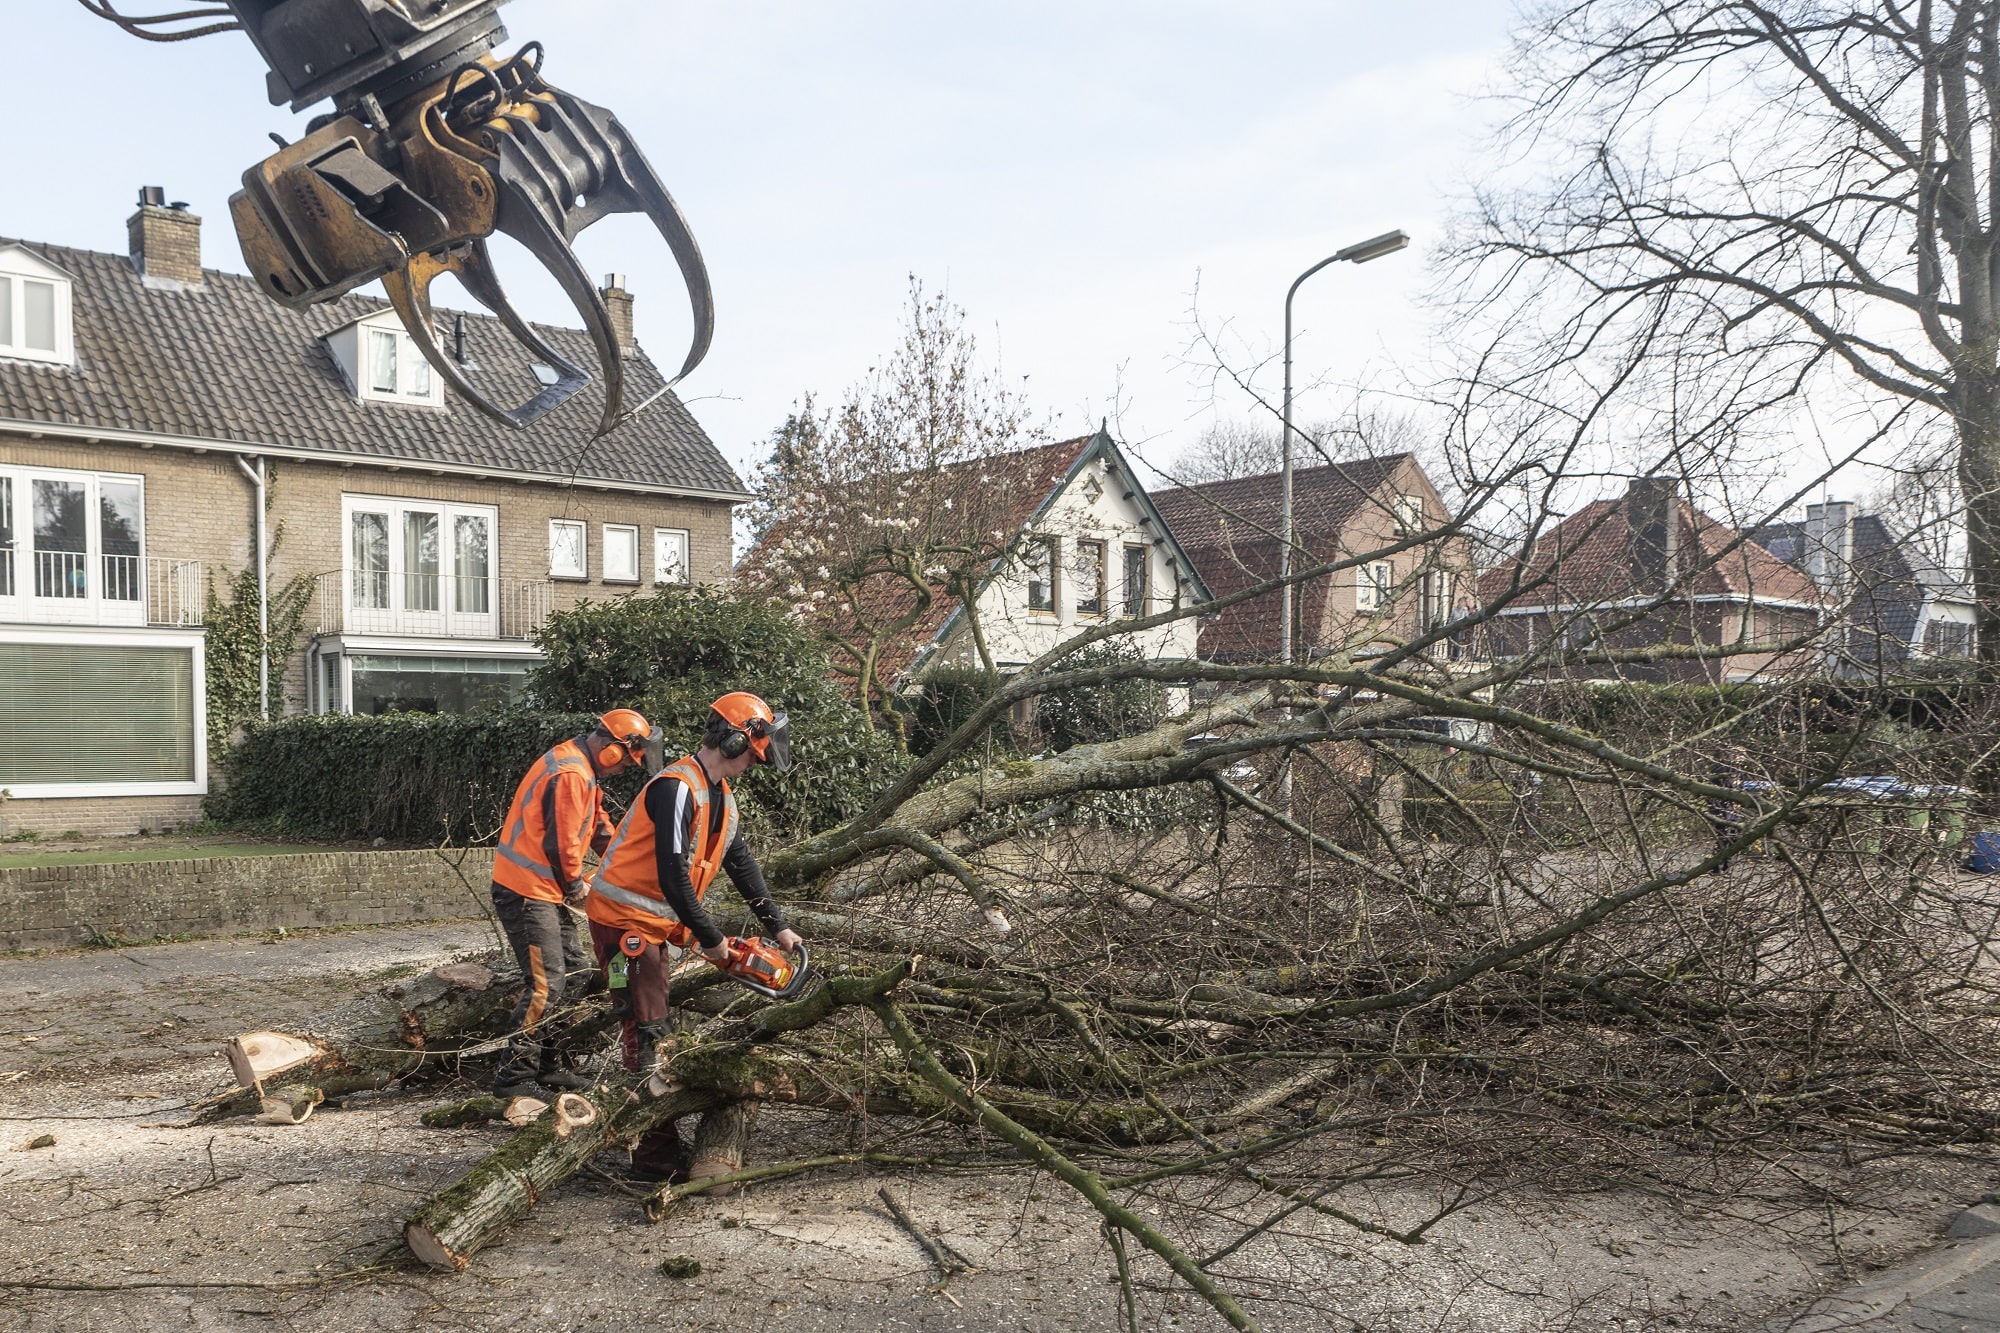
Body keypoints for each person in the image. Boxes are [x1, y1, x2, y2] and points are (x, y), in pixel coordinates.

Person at [586, 691, 805, 1181]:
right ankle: (652, 1161)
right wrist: (711, 939)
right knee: (646, 1031)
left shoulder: (720, 796)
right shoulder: (676, 789)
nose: (754, 762)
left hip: (651, 926)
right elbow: (672, 875)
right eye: (752, 752)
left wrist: (778, 926)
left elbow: (741, 864)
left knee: (653, 1025)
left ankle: (654, 1143)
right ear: (734, 741)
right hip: (622, 926)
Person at [489, 708, 657, 1098]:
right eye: (626, 761)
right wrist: (576, 886)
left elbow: (597, 824)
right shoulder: (571, 773)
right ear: (612, 748)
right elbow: (561, 844)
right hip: (526, 890)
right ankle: (514, 1077)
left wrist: (624, 861)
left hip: (544, 889)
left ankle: (548, 1066)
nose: (624, 769)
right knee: (546, 983)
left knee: (578, 973)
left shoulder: (584, 769)